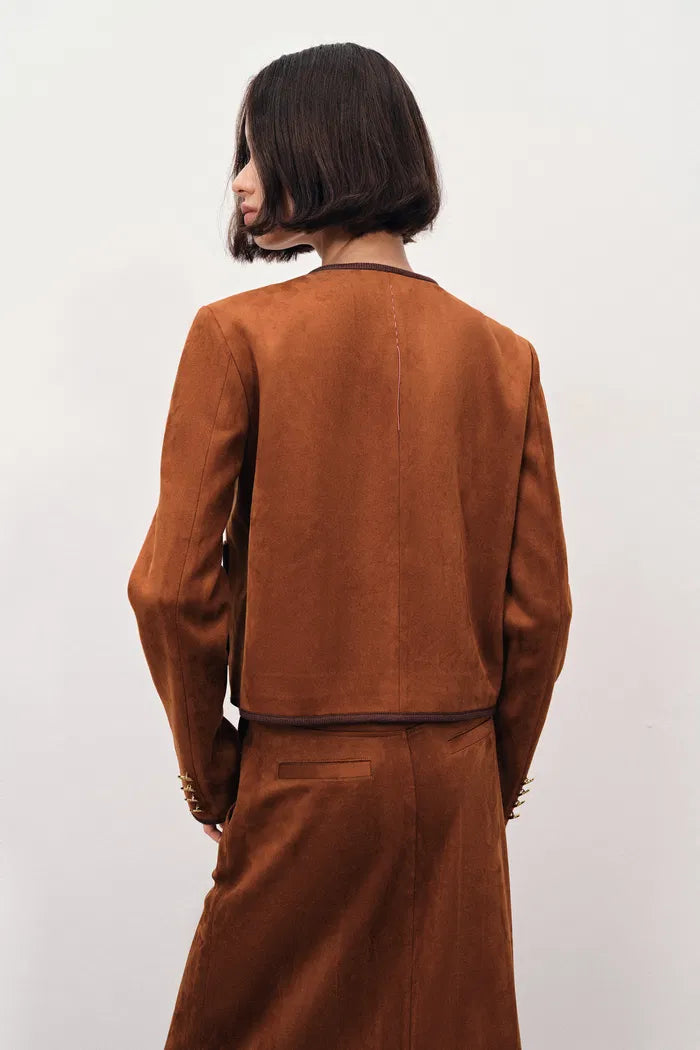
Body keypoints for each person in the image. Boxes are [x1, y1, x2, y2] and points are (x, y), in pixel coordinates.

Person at [127, 40, 572, 1050]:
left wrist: (212, 769)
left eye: (258, 149)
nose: (240, 180)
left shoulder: (236, 335)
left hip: (300, 774)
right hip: (457, 777)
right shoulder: (504, 356)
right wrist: (484, 777)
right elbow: (541, 613)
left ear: (322, 150)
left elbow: (170, 589)